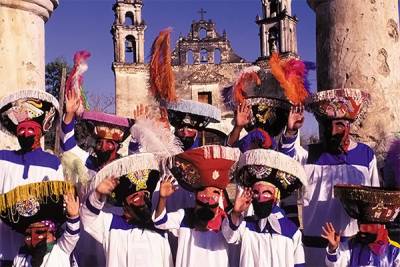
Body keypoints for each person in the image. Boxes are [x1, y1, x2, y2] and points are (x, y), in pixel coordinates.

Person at [279, 88, 380, 266]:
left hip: (352, 249)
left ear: (349, 126)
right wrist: (291, 131)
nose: (333, 131)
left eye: (339, 124)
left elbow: (374, 203)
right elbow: (284, 161)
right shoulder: (309, 155)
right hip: (314, 248)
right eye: (327, 125)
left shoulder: (365, 156)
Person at [0, 90, 62, 265]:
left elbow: (57, 204)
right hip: (4, 244)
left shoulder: (53, 163)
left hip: (37, 247)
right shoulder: (2, 158)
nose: (25, 134)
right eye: (21, 130)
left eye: (31, 129)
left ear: (40, 132)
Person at [153, 145, 240, 267]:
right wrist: (162, 198)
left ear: (220, 195)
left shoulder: (224, 219)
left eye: (214, 193)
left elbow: (233, 238)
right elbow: (160, 222)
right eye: (203, 194)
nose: (208, 199)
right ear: (195, 194)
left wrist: (235, 212)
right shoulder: (184, 215)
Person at [80, 153, 173, 267]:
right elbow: (87, 217)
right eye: (135, 197)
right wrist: (98, 194)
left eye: (144, 195)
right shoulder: (111, 224)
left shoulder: (159, 229)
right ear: (124, 205)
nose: (141, 200)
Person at [221, 148, 306, 267]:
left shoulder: (292, 231)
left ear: (276, 196)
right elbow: (229, 236)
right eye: (256, 192)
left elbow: (299, 264)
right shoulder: (245, 226)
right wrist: (236, 213)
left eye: (266, 193)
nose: (260, 198)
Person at [0, 180, 78, 267]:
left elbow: (72, 235)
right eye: (28, 234)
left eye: (40, 232)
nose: (34, 239)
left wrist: (73, 216)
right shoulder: (20, 258)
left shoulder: (60, 249)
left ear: (53, 234)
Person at [322, 184, 400, 266]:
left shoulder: (395, 251)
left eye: (368, 226)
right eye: (361, 224)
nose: (362, 229)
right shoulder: (350, 245)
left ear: (381, 227)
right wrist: (333, 249)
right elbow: (335, 264)